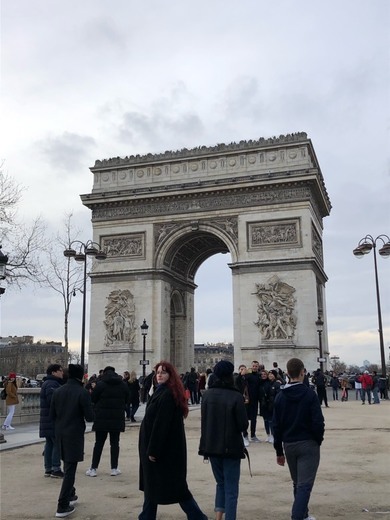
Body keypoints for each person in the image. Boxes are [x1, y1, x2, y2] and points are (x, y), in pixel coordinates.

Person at [138, 361, 207, 520]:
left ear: (171, 376)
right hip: (161, 448)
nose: (159, 375)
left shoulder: (167, 394)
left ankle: (197, 516)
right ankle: (147, 516)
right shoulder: (162, 391)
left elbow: (161, 425)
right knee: (154, 484)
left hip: (163, 450)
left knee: (175, 488)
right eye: (157, 372)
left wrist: (153, 449)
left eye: (163, 372)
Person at [273, 358, 325, 520]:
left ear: (287, 374)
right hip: (308, 443)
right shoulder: (309, 394)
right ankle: (297, 516)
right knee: (304, 485)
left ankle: (304, 515)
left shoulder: (280, 397)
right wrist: (317, 440)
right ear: (303, 372)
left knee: (297, 483)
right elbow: (318, 422)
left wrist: (279, 451)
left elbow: (276, 427)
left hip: (289, 445)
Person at [199, 360, 248, 520]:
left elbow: (204, 422)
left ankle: (218, 517)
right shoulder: (235, 395)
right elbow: (242, 425)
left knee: (220, 484)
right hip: (231, 448)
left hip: (211, 446)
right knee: (231, 490)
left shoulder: (206, 395)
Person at [50, 364, 94, 518]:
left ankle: (70, 494)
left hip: (60, 432)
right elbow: (89, 417)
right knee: (70, 471)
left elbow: (51, 415)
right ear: (81, 376)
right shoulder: (82, 393)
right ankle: (62, 505)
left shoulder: (58, 391)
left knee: (67, 466)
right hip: (74, 434)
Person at [86, 366, 130, 477]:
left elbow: (93, 399)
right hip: (117, 418)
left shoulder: (100, 384)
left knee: (99, 444)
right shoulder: (122, 384)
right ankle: (114, 468)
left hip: (101, 418)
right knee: (115, 444)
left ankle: (93, 468)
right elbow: (127, 399)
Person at [39, 363, 65, 478]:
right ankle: (56, 468)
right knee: (56, 443)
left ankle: (48, 468)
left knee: (49, 443)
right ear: (53, 372)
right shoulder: (52, 384)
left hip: (47, 418)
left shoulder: (48, 383)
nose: (62, 372)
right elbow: (53, 401)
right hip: (52, 418)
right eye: (60, 370)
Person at [245, 361, 262, 441]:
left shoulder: (259, 376)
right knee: (245, 418)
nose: (255, 367)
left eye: (256, 366)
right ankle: (245, 435)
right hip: (247, 400)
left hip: (255, 400)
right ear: (251, 366)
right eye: (254, 366)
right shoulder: (247, 376)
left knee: (253, 419)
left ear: (258, 367)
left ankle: (252, 435)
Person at [234, 364, 250, 446]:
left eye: (243, 369)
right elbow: (237, 382)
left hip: (247, 400)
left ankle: (245, 435)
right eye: (241, 369)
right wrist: (241, 374)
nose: (242, 370)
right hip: (239, 400)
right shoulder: (237, 377)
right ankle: (243, 436)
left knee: (245, 418)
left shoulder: (247, 378)